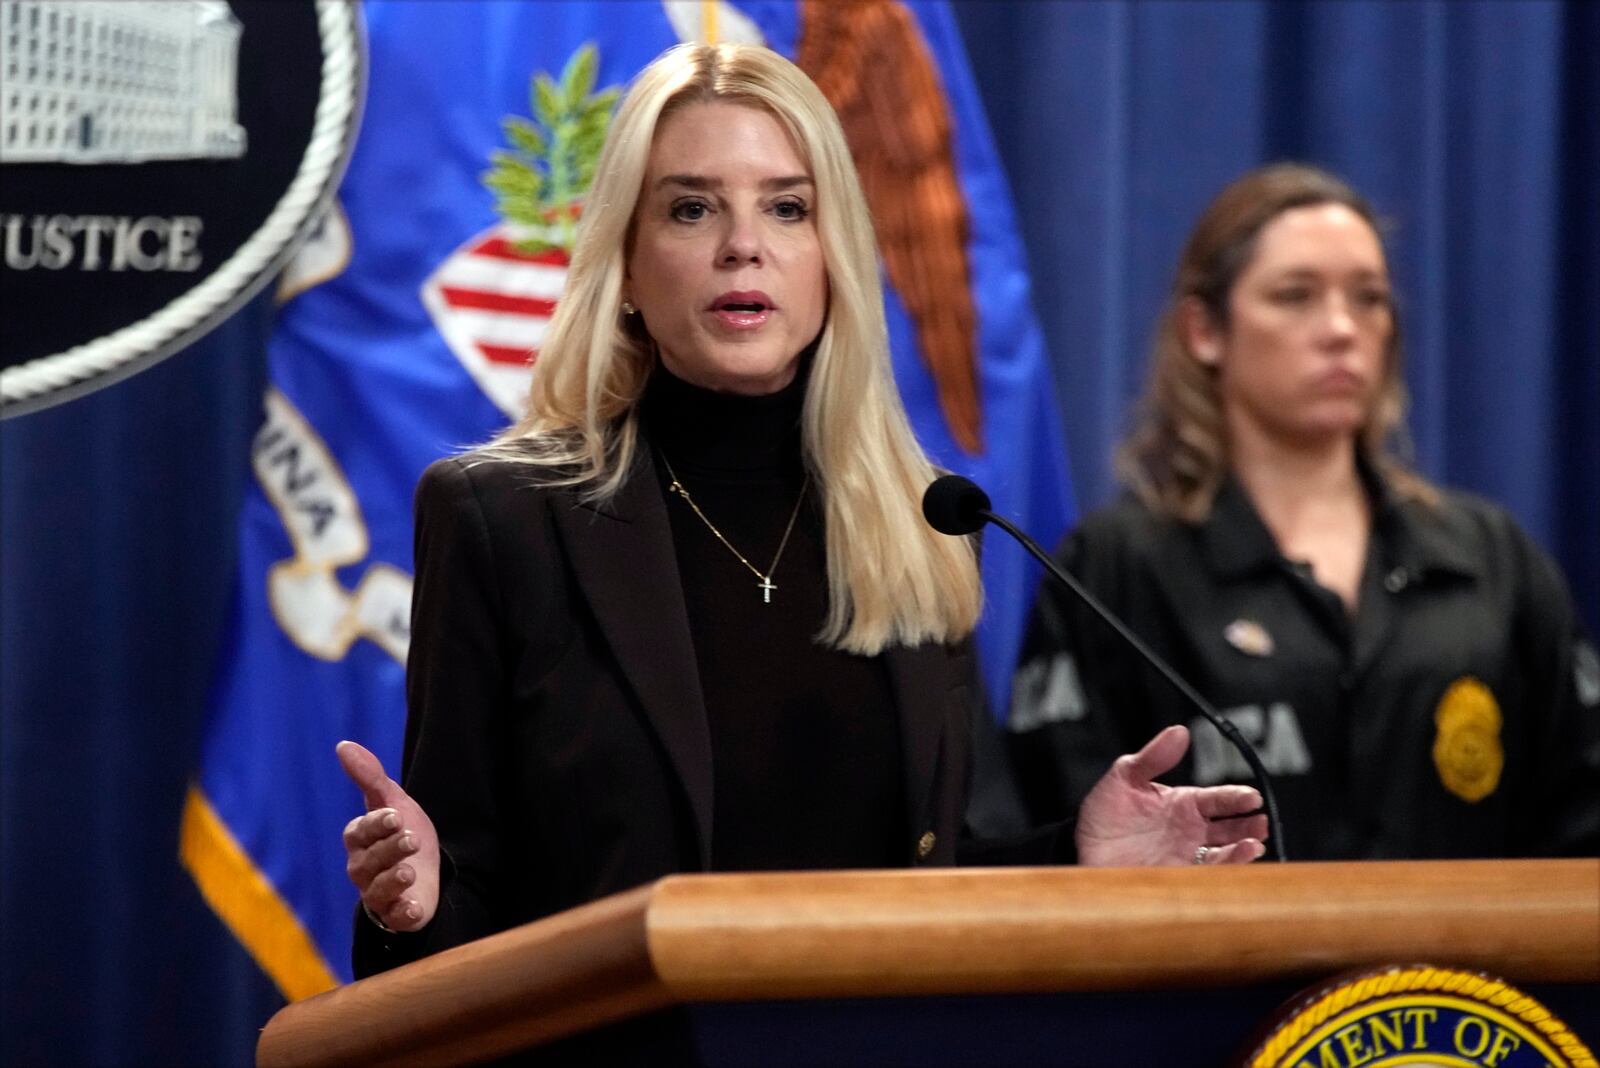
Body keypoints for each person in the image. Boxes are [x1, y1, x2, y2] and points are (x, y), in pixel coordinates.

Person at [335, 42, 1270, 993]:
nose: (745, 244)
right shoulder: (505, 519)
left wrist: (1078, 860)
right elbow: (459, 912)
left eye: (788, 208)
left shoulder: (919, 521)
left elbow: (937, 883)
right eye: (691, 208)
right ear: (623, 263)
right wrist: (414, 900)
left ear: (834, 260)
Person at [1007, 163, 1600, 861]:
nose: (1342, 329)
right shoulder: (1114, 568)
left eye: (1370, 298)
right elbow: (1062, 834)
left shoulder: (1490, 557)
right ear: (1204, 330)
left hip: (1463, 972)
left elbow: (1578, 823)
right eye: (1296, 296)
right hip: (1220, 966)